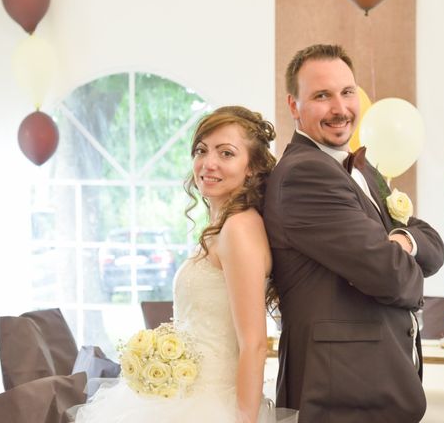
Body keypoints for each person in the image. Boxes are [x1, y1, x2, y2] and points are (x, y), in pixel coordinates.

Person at [76, 106, 297, 423]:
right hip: (186, 397)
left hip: (214, 405)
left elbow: (254, 343)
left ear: (252, 167)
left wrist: (244, 420)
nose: (209, 163)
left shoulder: (239, 228)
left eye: (226, 153)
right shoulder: (222, 226)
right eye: (202, 150)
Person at [263, 44, 444, 423]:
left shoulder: (357, 167)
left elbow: (434, 245)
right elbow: (394, 278)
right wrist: (399, 251)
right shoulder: (305, 174)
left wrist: (404, 240)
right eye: (321, 96)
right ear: (294, 106)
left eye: (347, 92)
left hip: (371, 386)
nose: (340, 108)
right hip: (341, 394)